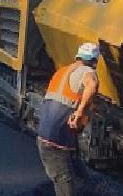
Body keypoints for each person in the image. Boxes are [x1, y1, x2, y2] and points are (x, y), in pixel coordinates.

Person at [37, 43, 100, 196]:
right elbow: (92, 84)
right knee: (65, 182)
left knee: (78, 171)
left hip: (45, 136)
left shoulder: (62, 71)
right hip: (56, 141)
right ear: (94, 61)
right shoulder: (88, 71)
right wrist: (79, 113)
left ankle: (90, 187)